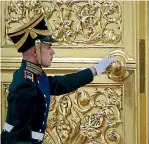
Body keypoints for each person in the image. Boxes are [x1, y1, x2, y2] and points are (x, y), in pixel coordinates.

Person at [1, 13, 116, 144]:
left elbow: (61, 83)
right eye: (49, 47)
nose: (52, 52)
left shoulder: (33, 75)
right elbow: (18, 137)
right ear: (35, 51)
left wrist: (95, 69)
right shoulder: (25, 84)